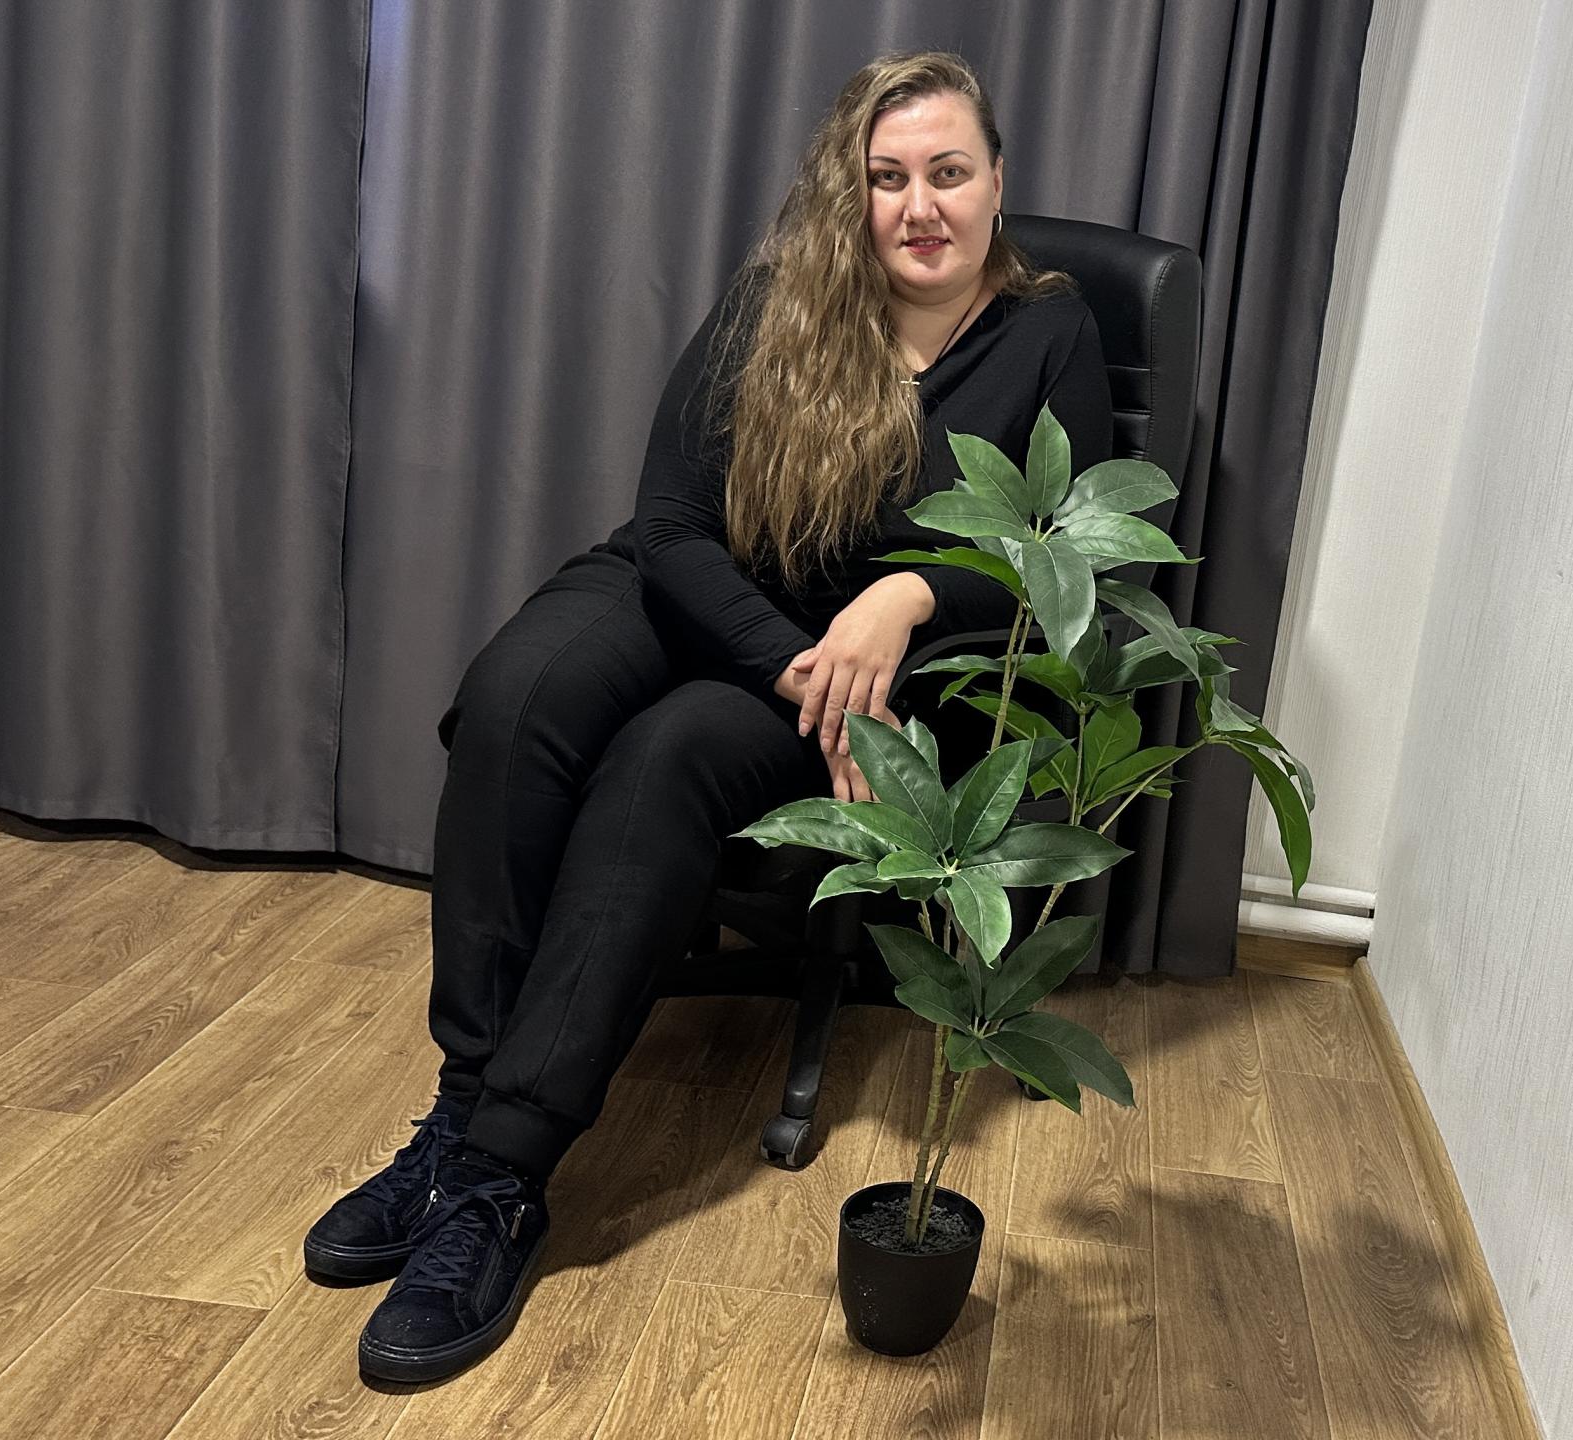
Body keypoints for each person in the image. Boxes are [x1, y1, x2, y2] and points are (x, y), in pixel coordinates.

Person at [301, 50, 1114, 1385]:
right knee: (514, 700)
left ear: (995, 183)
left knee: (665, 759)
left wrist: (908, 593)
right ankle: (456, 1113)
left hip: (869, 672)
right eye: (888, 177)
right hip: (705, 597)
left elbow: (1077, 553)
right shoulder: (779, 301)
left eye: (948, 173)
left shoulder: (1050, 332)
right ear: (852, 193)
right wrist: (791, 663)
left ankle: (501, 1174)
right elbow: (673, 523)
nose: (920, 206)